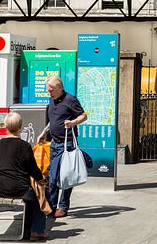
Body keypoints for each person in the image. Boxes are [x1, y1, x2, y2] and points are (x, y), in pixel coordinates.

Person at [36, 76, 87, 218]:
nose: (49, 94)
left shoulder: (71, 100)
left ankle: (63, 207)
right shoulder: (52, 100)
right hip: (54, 143)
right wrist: (43, 132)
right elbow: (53, 121)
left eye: (51, 90)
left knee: (66, 176)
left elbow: (84, 116)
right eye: (48, 91)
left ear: (59, 87)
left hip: (67, 144)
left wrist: (73, 122)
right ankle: (51, 206)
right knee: (52, 176)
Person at [0, 112, 49, 241]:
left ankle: (29, 229)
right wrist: (42, 180)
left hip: (0, 188)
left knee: (33, 194)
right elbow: (33, 170)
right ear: (20, 127)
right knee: (40, 195)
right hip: (18, 189)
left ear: (6, 127)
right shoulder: (25, 146)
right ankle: (36, 231)